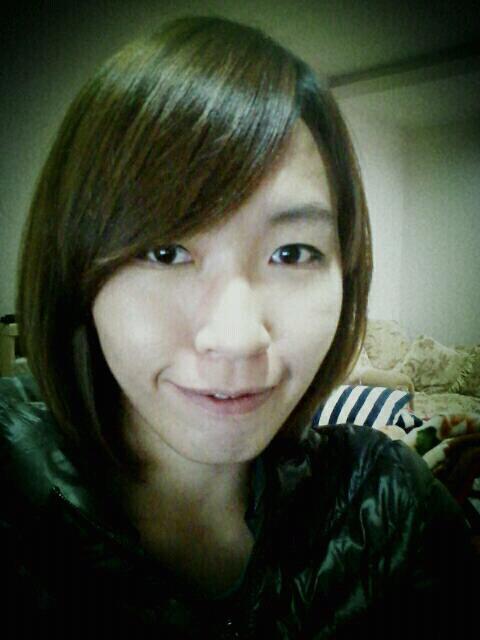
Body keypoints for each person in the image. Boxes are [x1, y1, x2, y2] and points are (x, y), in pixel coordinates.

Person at [0, 15, 477, 639]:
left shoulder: (393, 513)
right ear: (74, 270)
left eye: (293, 253)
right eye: (166, 251)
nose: (237, 338)